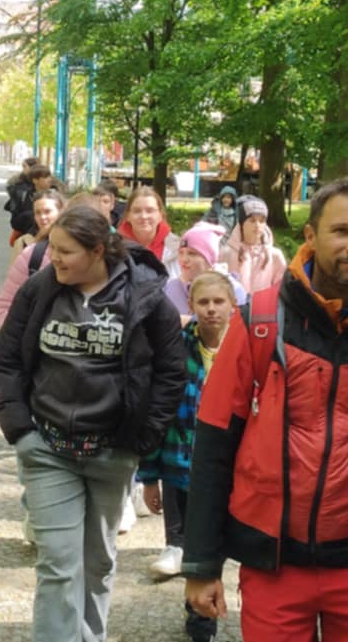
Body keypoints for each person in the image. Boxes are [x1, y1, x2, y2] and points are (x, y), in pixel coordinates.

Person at [182, 178, 348, 640]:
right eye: (341, 231)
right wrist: (202, 564)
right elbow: (213, 444)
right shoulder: (259, 321)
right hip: (275, 562)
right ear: (311, 236)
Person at [0, 204, 187, 641]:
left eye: (65, 251)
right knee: (58, 566)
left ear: (98, 251)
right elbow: (6, 359)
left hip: (112, 453)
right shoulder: (40, 289)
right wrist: (20, 430)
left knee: (97, 563)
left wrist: (142, 437)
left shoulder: (145, 296)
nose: (53, 258)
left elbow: (171, 372)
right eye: (52, 249)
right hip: (47, 449)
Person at [139, 272, 233, 641]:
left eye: (218, 302)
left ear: (232, 304)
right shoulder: (175, 348)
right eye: (203, 302)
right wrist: (149, 477)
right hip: (179, 464)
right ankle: (200, 622)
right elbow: (157, 414)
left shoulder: (244, 349)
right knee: (194, 547)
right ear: (190, 305)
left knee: (219, 544)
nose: (211, 310)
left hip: (228, 469)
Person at [0, 189, 66, 330]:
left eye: (47, 211)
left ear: (61, 211)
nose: (42, 217)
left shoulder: (76, 246)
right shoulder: (26, 246)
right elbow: (11, 294)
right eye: (38, 213)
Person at [220, 195, 285, 294]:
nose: (257, 225)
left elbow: (280, 290)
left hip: (264, 303)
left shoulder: (274, 255)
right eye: (252, 220)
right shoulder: (226, 253)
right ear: (241, 224)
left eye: (262, 221)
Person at [119, 186, 179, 276]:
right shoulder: (114, 247)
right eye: (137, 211)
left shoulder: (177, 248)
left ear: (160, 215)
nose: (144, 216)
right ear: (128, 215)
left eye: (150, 211)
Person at [7, 164, 54, 245]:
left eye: (50, 176)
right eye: (45, 177)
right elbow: (14, 222)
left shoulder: (56, 196)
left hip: (50, 238)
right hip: (27, 239)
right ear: (35, 180)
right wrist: (28, 217)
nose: (50, 180)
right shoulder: (23, 196)